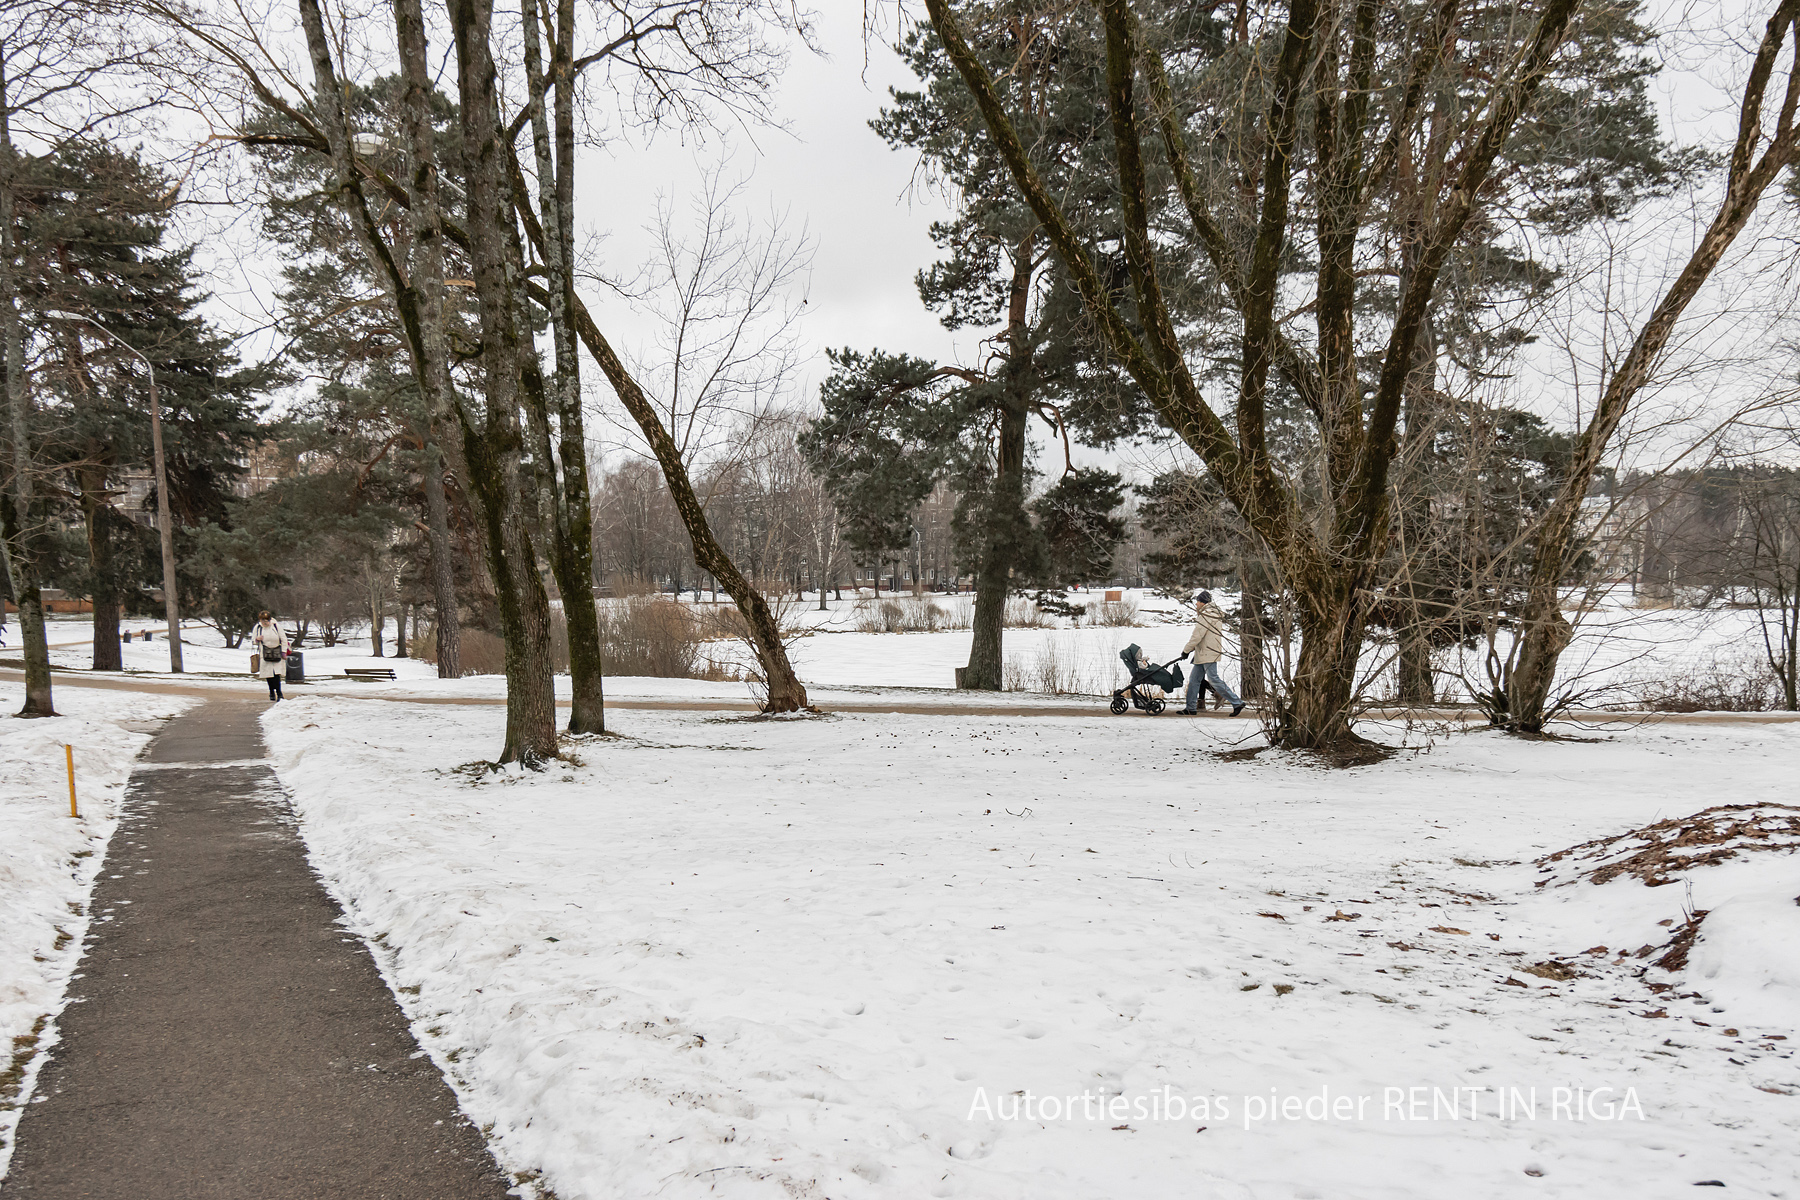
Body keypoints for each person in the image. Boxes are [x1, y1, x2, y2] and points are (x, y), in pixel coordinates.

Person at [1180, 590, 1244, 717]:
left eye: (1197, 602)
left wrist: (1186, 650)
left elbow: (1197, 636)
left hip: (1207, 652)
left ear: (1202, 602)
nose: (1196, 605)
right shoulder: (1212, 614)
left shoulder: (1206, 616)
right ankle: (1190, 708)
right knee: (1194, 680)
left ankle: (1236, 702)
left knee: (1213, 679)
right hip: (1206, 651)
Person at [250, 610, 291, 701]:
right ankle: (271, 691)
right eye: (262, 621)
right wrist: (257, 639)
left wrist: (284, 651)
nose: (265, 623)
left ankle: (279, 693)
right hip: (265, 653)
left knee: (276, 674)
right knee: (268, 674)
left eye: (266, 620)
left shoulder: (276, 626)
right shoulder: (258, 628)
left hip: (277, 652)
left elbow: (284, 639)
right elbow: (253, 641)